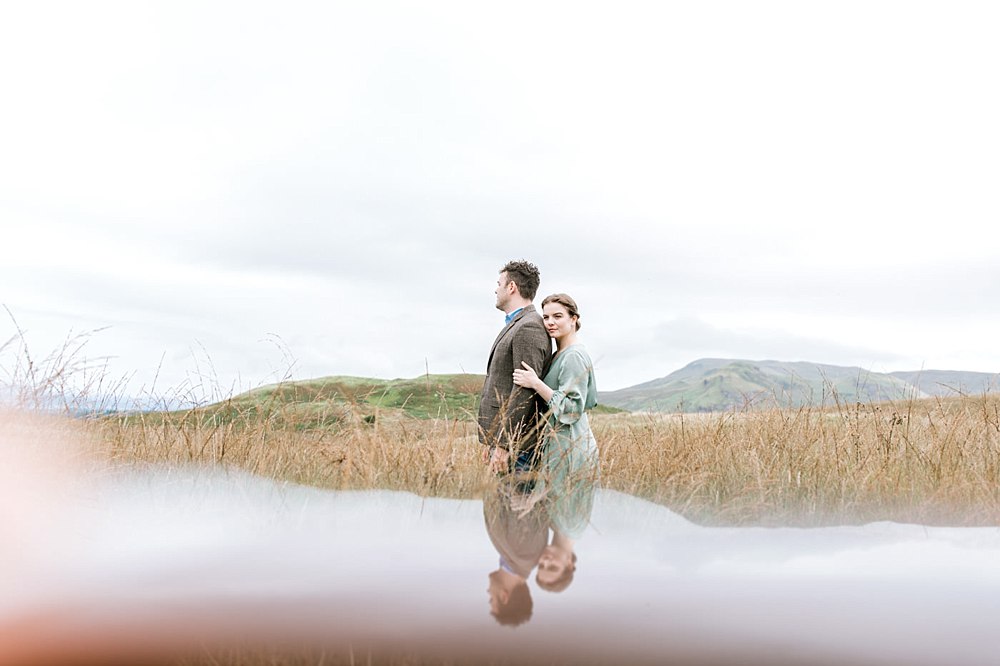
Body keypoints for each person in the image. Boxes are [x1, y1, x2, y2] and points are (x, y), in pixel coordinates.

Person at [512, 293, 599, 556]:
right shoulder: (559, 353)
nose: (550, 322)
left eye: (558, 316)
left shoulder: (573, 356)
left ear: (574, 319)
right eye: (546, 317)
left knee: (565, 519)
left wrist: (536, 383)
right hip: (560, 445)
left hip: (571, 447)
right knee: (558, 519)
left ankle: (562, 565)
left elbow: (573, 407)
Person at [478, 260, 553, 475]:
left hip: (518, 448)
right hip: (504, 442)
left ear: (512, 287)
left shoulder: (528, 326)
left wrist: (503, 445)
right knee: (500, 506)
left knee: (514, 506)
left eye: (499, 283)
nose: (495, 289)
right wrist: (491, 441)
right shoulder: (517, 323)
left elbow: (524, 392)